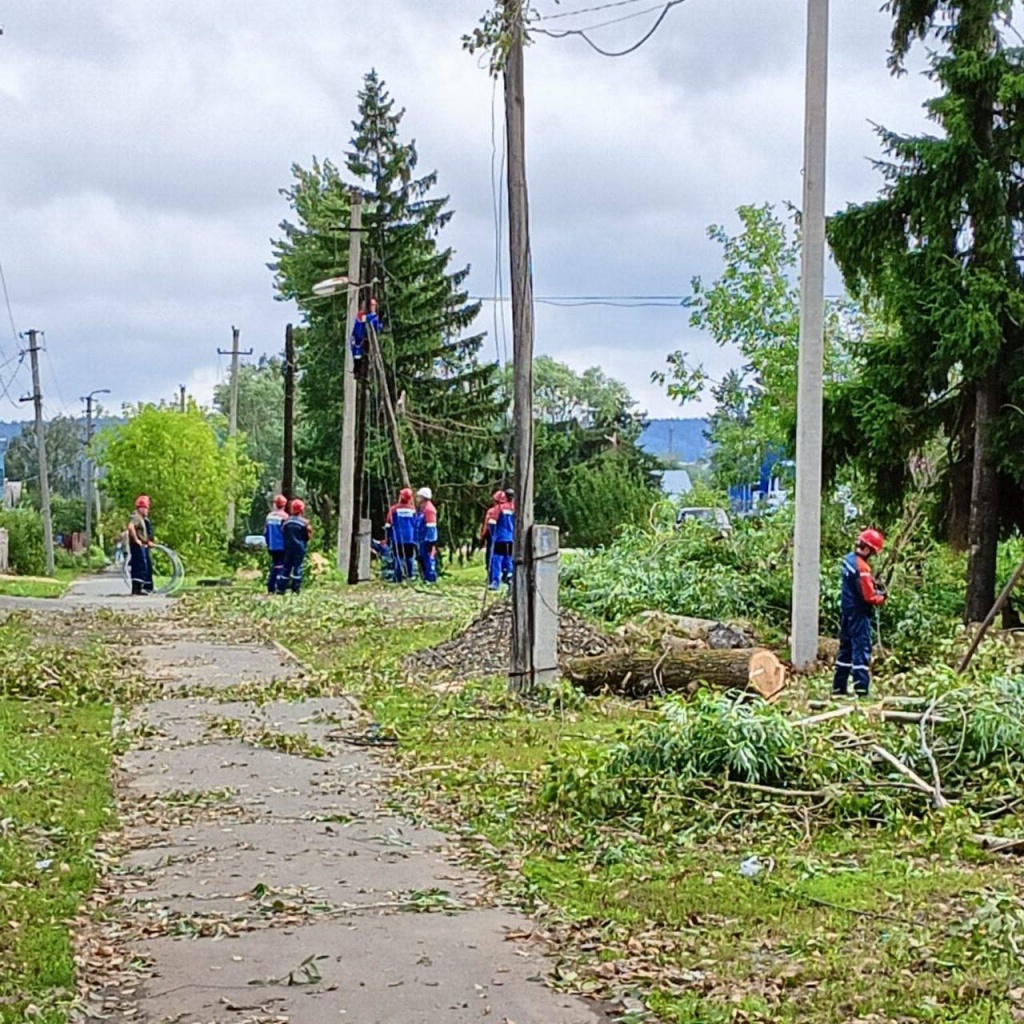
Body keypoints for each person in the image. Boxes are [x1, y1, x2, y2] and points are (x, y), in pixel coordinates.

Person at [832, 528, 887, 698]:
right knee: (861, 649)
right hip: (859, 612)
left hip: (847, 610)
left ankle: (839, 687)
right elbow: (869, 596)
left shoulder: (849, 560)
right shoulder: (862, 568)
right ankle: (862, 689)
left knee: (846, 649)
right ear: (868, 549)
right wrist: (881, 597)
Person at [278, 498, 311, 595]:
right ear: (302, 510)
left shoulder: (286, 522)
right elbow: (308, 535)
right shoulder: (305, 522)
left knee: (286, 567)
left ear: (292, 509)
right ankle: (295, 589)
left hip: (288, 547)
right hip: (299, 548)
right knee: (297, 567)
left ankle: (281, 588)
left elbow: (283, 532)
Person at [385, 487, 418, 582]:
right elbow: (416, 523)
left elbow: (388, 524)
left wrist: (388, 536)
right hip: (410, 538)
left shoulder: (394, 509)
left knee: (398, 557)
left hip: (397, 538)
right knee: (409, 557)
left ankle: (398, 577)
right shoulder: (413, 510)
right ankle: (410, 576)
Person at [127, 495, 154, 596]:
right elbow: (130, 527)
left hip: (142, 545)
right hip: (137, 546)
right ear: (141, 508)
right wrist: (136, 540)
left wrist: (148, 542)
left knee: (145, 565)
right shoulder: (136, 517)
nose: (147, 510)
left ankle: (142, 588)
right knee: (140, 566)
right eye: (146, 508)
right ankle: (137, 589)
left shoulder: (143, 519)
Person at [263, 494, 289, 595]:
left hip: (271, 545)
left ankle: (271, 585)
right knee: (280, 566)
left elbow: (265, 531)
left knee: (275, 564)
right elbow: (286, 532)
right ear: (284, 505)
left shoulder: (269, 517)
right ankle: (276, 585)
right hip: (281, 545)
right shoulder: (285, 517)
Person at [414, 486, 439, 583]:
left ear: (423, 498)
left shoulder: (429, 510)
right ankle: (425, 578)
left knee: (429, 559)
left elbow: (431, 527)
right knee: (423, 559)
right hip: (421, 539)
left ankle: (431, 579)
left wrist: (431, 542)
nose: (417, 498)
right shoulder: (422, 509)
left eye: (418, 496)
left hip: (427, 540)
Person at [351, 297, 382, 362]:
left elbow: (378, 327)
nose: (373, 307)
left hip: (368, 342)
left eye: (374, 305)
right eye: (371, 305)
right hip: (359, 341)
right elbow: (364, 319)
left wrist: (379, 324)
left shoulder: (375, 318)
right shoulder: (362, 314)